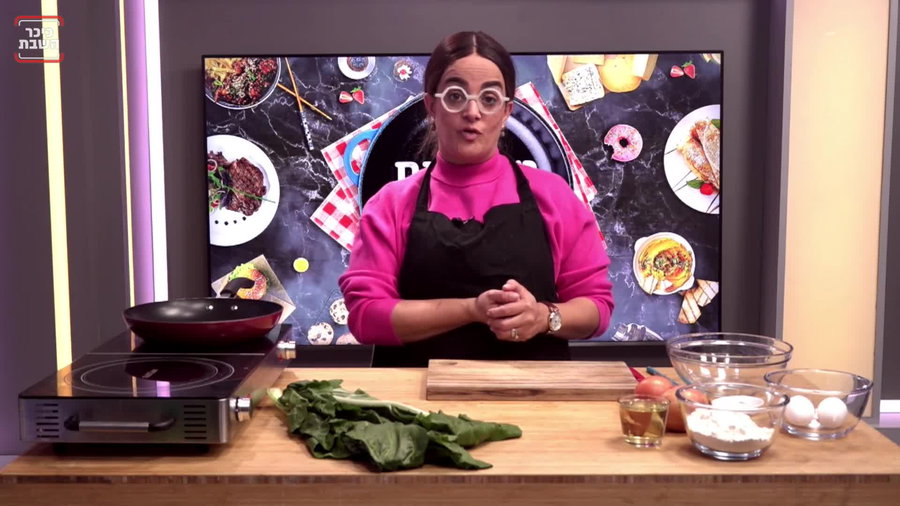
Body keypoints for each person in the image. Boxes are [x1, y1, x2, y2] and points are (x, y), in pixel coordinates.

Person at [338, 31, 614, 366]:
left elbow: (596, 308)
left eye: (489, 98)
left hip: (536, 395)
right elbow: (366, 317)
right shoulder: (390, 204)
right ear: (431, 105)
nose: (472, 111)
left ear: (506, 111)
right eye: (456, 96)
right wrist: (471, 309)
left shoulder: (554, 196)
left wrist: (543, 316)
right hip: (415, 398)